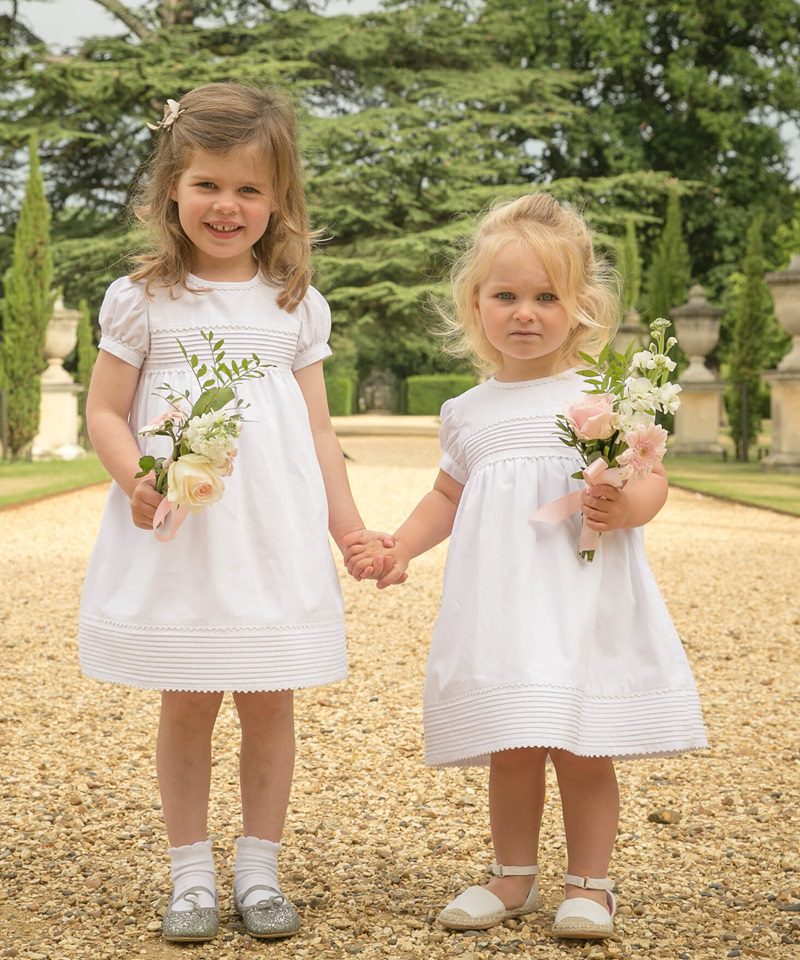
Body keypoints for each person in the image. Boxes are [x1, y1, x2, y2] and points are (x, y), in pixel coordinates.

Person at [78, 82, 394, 943]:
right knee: (186, 698)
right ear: (171, 189)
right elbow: (105, 412)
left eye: (250, 189)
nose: (227, 205)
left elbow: (319, 433)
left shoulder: (294, 304)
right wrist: (134, 476)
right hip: (185, 533)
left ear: (279, 200)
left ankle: (258, 869)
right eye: (208, 184)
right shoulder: (141, 299)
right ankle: (189, 874)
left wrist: (350, 528)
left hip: (272, 538)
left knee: (268, 698)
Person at [343, 193, 707, 940]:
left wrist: (629, 507)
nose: (526, 313)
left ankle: (590, 884)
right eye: (505, 296)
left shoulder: (603, 396)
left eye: (548, 297)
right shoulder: (466, 410)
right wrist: (399, 545)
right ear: (474, 305)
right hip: (501, 601)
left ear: (580, 308)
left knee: (580, 741)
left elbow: (651, 477)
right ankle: (512, 876)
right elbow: (448, 493)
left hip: (578, 596)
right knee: (512, 742)